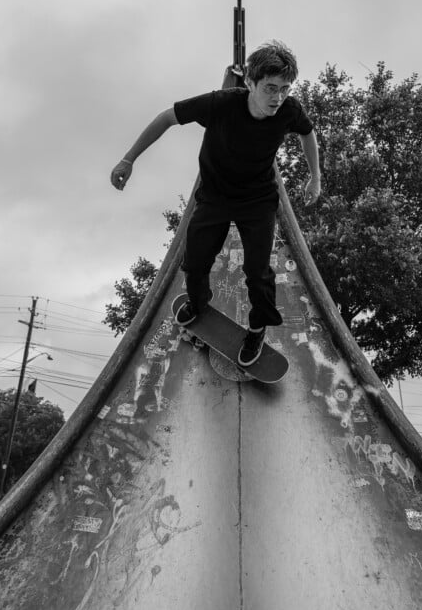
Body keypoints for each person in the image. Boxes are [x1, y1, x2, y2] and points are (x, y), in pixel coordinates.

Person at [110, 40, 320, 367]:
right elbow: (167, 117)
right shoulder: (220, 104)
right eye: (269, 88)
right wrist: (128, 159)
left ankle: (257, 328)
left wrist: (315, 176)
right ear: (249, 83)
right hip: (215, 197)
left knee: (258, 272)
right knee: (195, 262)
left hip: (257, 200)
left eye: (284, 89)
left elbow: (308, 133)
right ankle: (198, 302)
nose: (277, 98)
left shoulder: (289, 111)